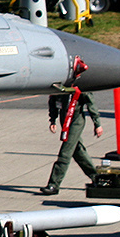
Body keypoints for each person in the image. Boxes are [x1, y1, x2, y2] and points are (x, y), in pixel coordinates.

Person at [42, 57, 101, 195]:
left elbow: (91, 104)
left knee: (65, 153)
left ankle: (53, 185)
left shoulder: (80, 86)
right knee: (78, 151)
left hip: (75, 122)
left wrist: (97, 124)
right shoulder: (59, 84)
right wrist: (53, 120)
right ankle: (97, 178)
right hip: (65, 121)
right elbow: (54, 101)